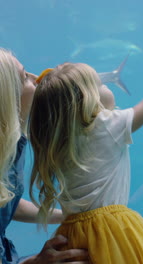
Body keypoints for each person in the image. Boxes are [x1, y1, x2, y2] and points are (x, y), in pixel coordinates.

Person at [28, 43, 143, 263]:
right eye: (101, 85)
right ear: (88, 100)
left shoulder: (54, 141)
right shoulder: (107, 126)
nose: (108, 87)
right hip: (112, 232)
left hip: (71, 234)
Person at [0, 48, 89, 263]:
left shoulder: (11, 145)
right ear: (8, 95)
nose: (35, 78)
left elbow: (6, 199)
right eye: (24, 77)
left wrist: (64, 216)